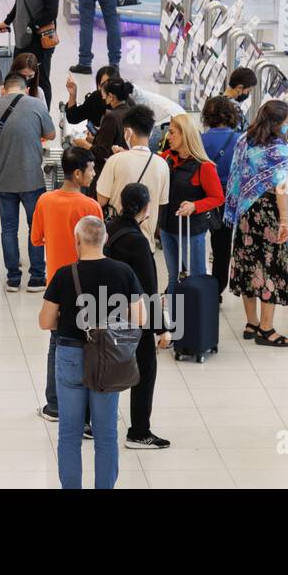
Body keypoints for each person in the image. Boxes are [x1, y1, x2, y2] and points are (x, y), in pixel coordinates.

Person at [40, 215, 144, 488]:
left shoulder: (64, 274)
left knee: (70, 433)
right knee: (106, 433)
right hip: (108, 358)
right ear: (105, 239)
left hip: (71, 356)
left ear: (77, 240)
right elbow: (140, 319)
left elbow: (45, 322)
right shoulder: (124, 272)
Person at [30, 146, 102, 422]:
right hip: (87, 282)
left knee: (56, 342)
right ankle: (86, 404)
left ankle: (54, 404)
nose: (94, 174)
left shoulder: (45, 201)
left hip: (57, 284)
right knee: (89, 343)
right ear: (77, 172)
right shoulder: (90, 206)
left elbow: (36, 239)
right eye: (91, 169)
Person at [223, 99, 288, 348]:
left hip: (245, 211)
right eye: (286, 122)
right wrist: (284, 221)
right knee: (269, 268)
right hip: (268, 213)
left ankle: (251, 322)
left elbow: (236, 176)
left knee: (246, 263)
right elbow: (281, 188)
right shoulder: (278, 150)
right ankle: (267, 329)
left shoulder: (245, 140)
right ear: (277, 124)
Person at [104, 183, 171, 450]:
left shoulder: (109, 229)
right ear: (145, 208)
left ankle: (92, 422)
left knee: (104, 369)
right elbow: (148, 289)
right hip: (133, 316)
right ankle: (139, 432)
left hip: (103, 310)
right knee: (145, 369)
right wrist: (160, 329)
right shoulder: (137, 242)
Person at [0, 72, 57, 292]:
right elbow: (51, 134)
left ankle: (13, 278)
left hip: (3, 178)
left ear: (4, 89)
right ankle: (36, 276)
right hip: (31, 178)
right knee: (34, 227)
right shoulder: (36, 105)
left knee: (8, 229)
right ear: (26, 89)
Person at [157, 113, 225, 294]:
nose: (168, 137)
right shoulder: (166, 158)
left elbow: (218, 197)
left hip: (191, 230)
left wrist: (195, 206)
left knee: (196, 276)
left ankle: (197, 317)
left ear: (185, 134)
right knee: (173, 276)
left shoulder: (204, 166)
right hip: (166, 227)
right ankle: (174, 320)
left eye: (172, 133)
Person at [95, 104, 169, 244]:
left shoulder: (114, 161)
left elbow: (101, 200)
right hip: (145, 241)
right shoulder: (162, 165)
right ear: (151, 132)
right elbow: (161, 203)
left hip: (116, 238)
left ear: (128, 132)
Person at [200, 95, 245, 297]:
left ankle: (197, 283)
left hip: (203, 195)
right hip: (229, 197)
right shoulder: (240, 140)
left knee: (198, 239)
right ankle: (217, 288)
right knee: (222, 245)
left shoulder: (201, 140)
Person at [77, 77, 135, 182]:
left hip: (107, 173)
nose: (103, 99)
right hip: (127, 169)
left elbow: (102, 152)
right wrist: (95, 140)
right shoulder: (131, 112)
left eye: (104, 96)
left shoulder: (112, 117)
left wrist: (84, 144)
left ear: (111, 97)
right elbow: (115, 140)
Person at [64, 64, 120, 133]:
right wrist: (72, 94)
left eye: (106, 85)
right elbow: (73, 118)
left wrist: (89, 143)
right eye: (101, 84)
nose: (103, 89)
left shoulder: (123, 106)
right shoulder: (96, 97)